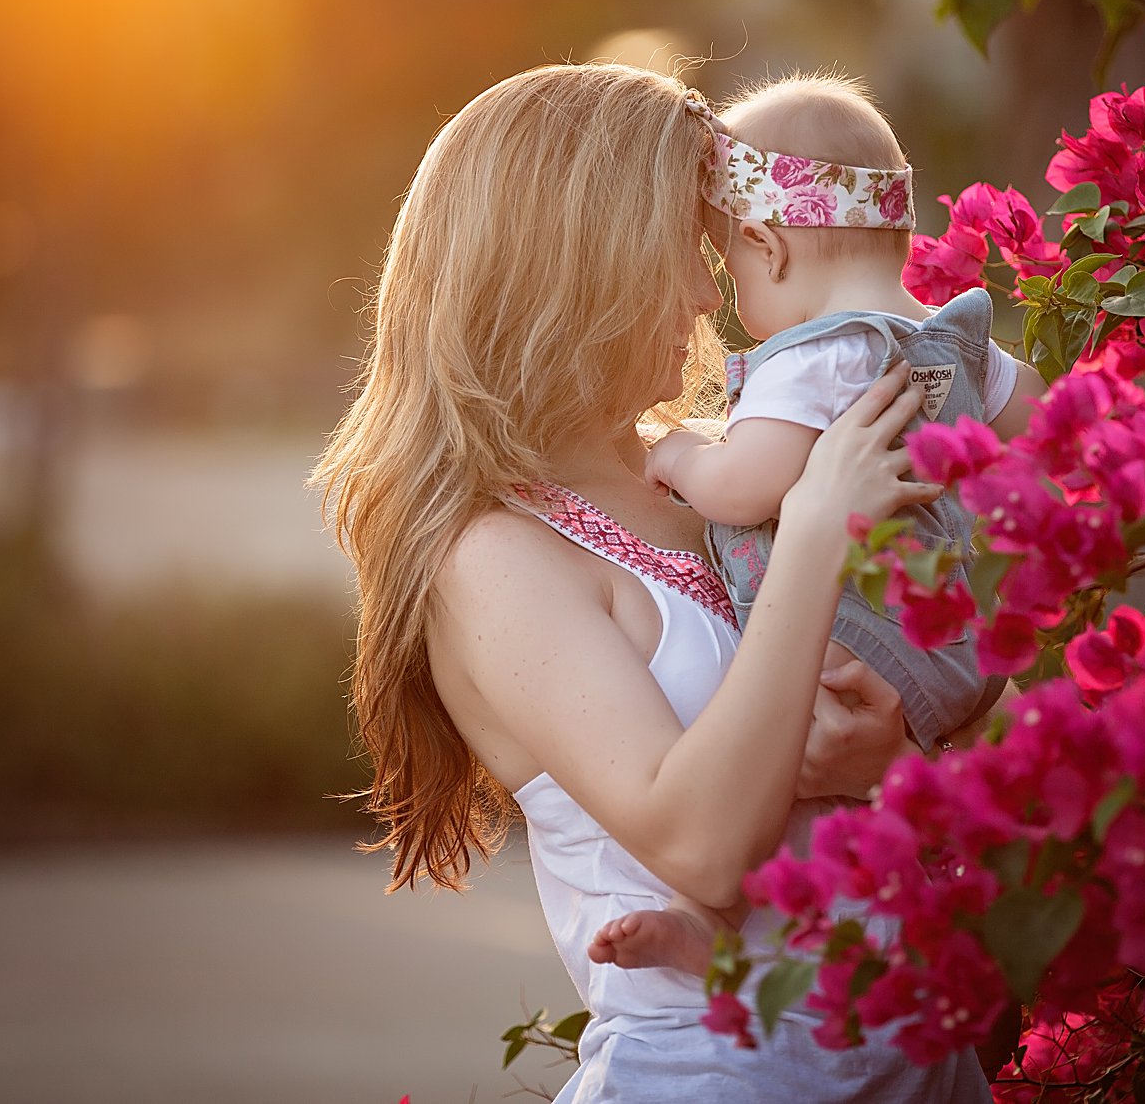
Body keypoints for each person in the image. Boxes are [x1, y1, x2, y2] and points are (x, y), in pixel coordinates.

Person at [312, 62, 994, 1102]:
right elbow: (703, 845)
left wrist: (897, 762)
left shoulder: (725, 465)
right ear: (575, 266)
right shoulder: (494, 556)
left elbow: (960, 699)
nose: (700, 290)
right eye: (679, 247)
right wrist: (814, 533)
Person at [587, 75, 1046, 979]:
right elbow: (1038, 418)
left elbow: (746, 482)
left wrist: (681, 454)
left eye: (729, 265)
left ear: (768, 245)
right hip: (950, 648)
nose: (722, 297)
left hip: (850, 632)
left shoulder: (815, 354)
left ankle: (706, 915)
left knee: (744, 740)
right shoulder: (950, 340)